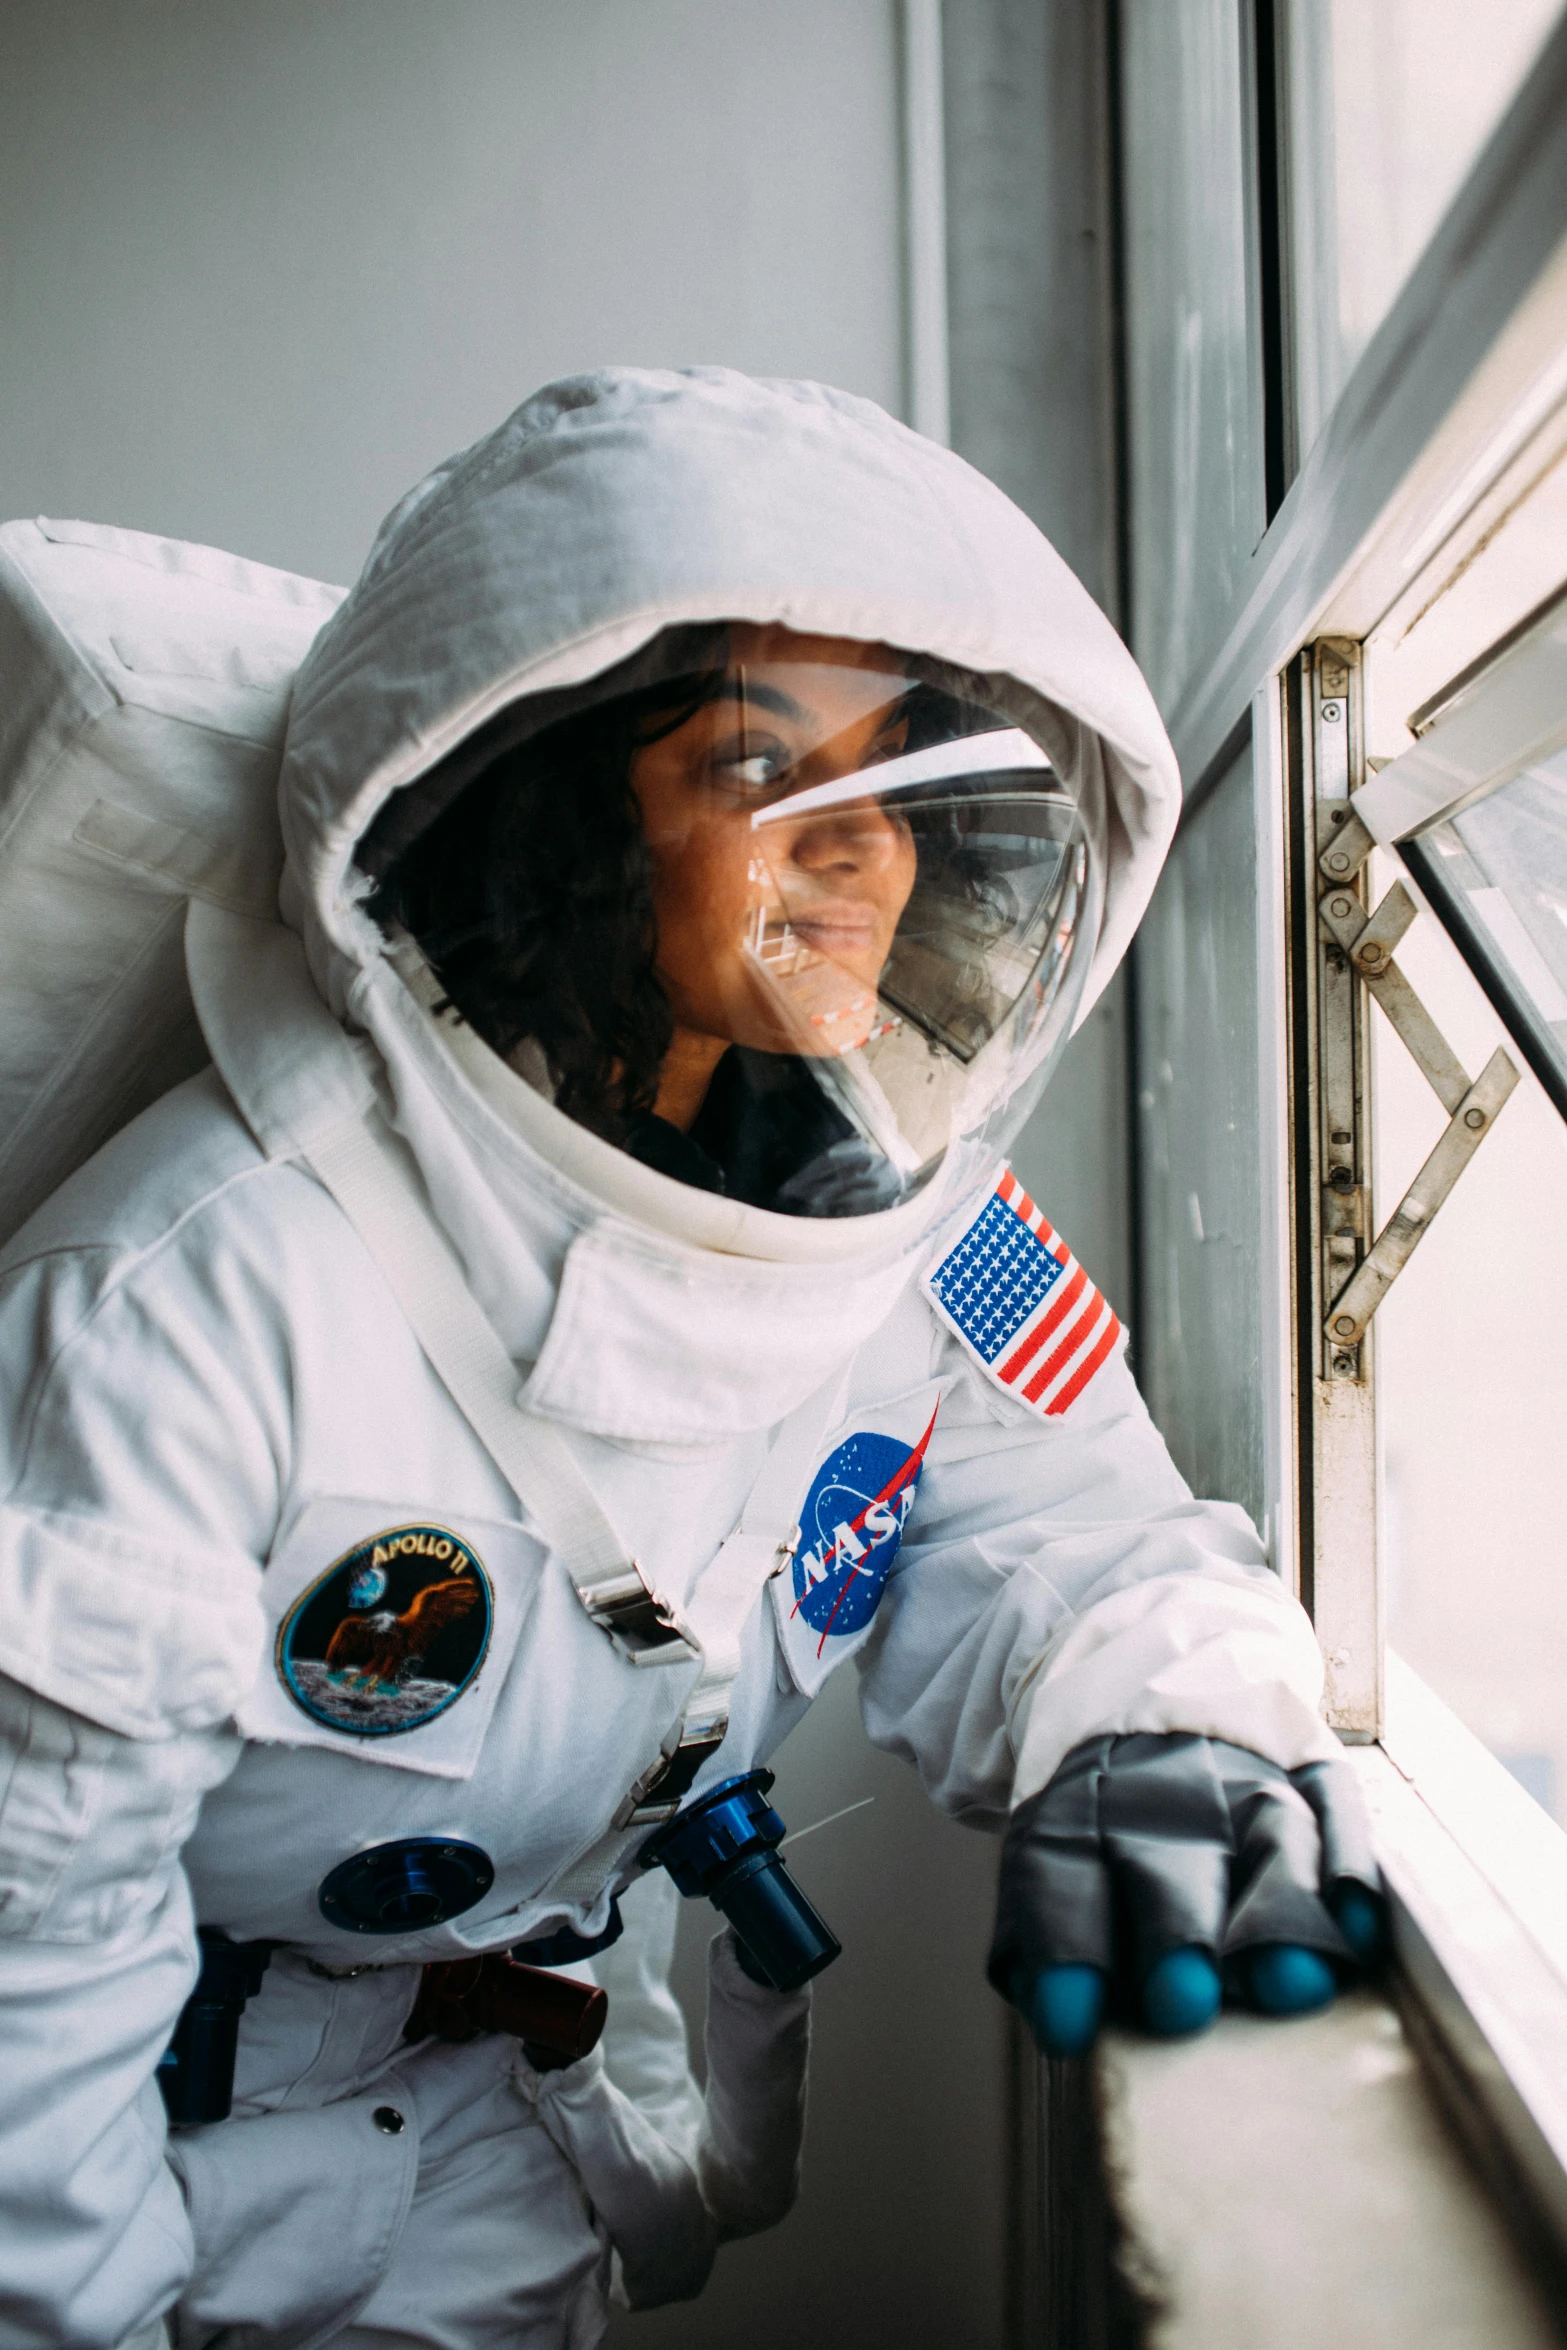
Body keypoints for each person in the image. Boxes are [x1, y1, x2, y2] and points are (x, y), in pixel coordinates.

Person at [0, 367, 1380, 2350]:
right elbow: (27, 1979)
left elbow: (1078, 1536)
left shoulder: (916, 1243)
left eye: (910, 781)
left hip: (496, 2119)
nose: (863, 851)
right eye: (758, 766)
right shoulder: (195, 1295)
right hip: (143, 2135)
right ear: (556, 810)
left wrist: (1170, 1732)